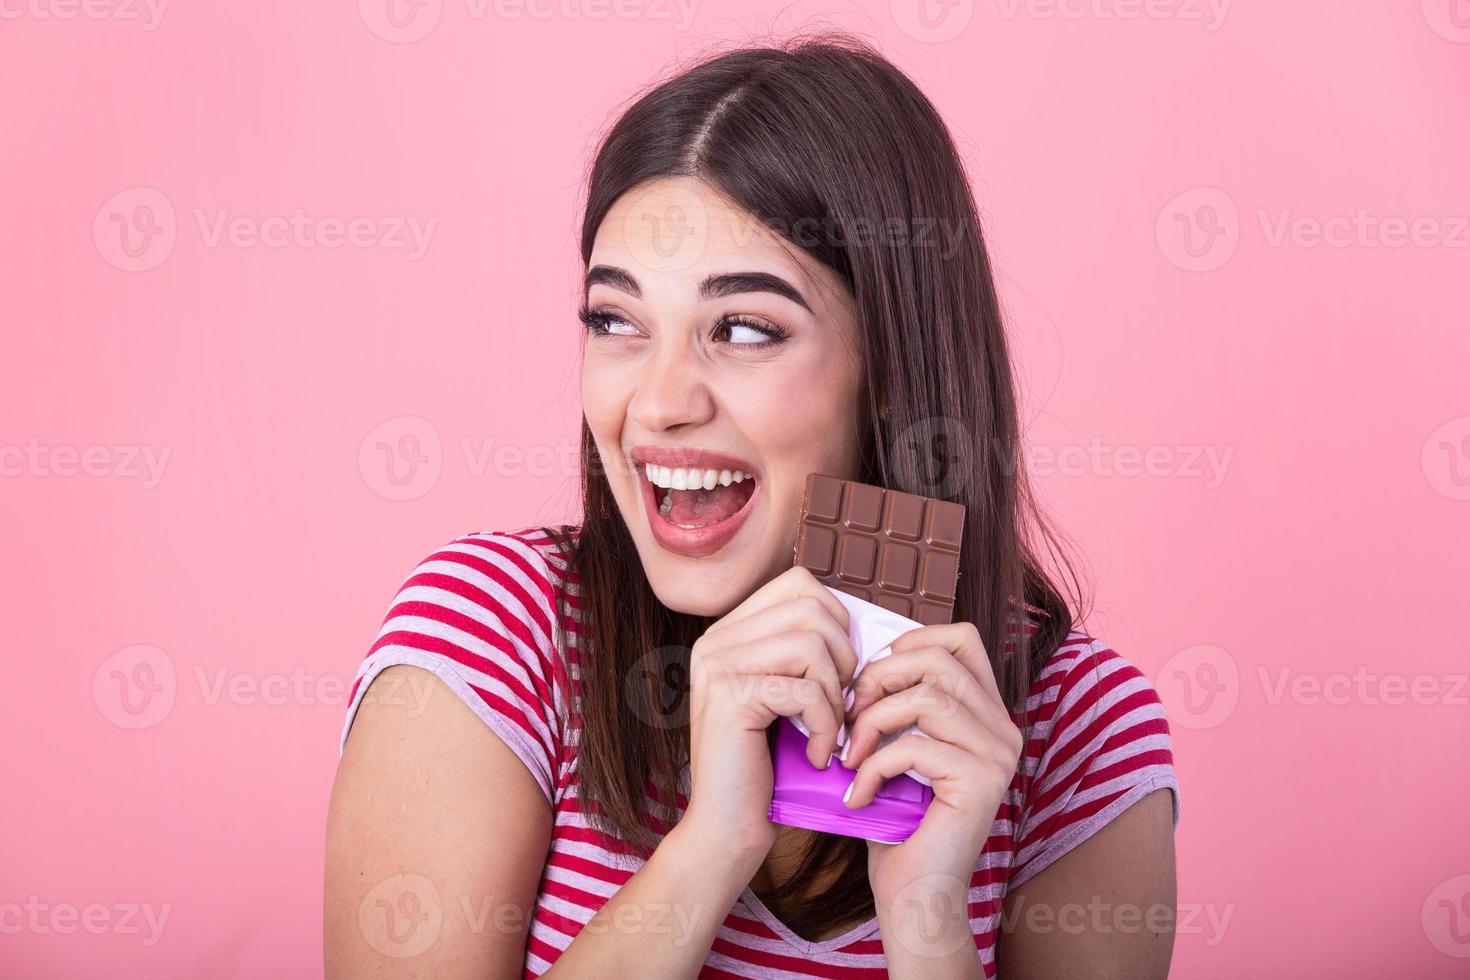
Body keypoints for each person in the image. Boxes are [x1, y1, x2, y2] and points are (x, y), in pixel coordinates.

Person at [325, 34, 1180, 979]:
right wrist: (707, 850)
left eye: (742, 328)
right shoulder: (495, 634)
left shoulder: (1078, 730)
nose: (656, 404)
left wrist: (930, 922)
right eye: (617, 321)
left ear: (890, 373)